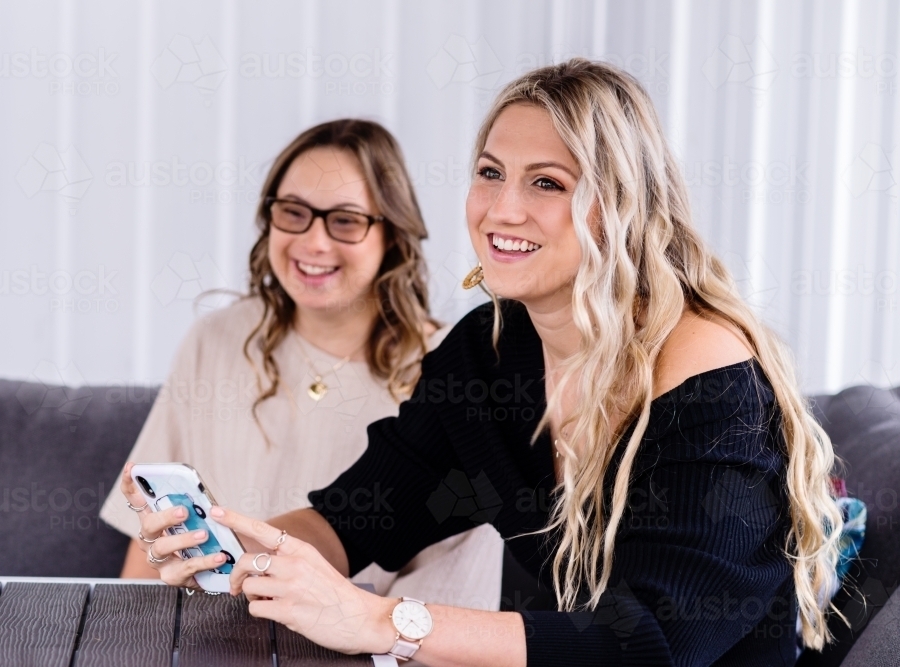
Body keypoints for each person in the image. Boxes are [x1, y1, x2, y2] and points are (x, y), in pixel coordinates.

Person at [122, 61, 843, 666]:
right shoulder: (490, 352)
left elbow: (657, 639)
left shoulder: (706, 369)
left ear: (620, 206)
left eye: (548, 183)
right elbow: (363, 514)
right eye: (490, 172)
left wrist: (381, 621)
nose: (501, 209)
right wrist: (242, 542)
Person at [101, 119, 505, 611]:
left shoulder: (459, 371)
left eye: (345, 219)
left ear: (393, 235)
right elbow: (146, 561)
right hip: (209, 640)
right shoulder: (216, 339)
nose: (314, 243)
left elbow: (443, 619)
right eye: (293, 212)